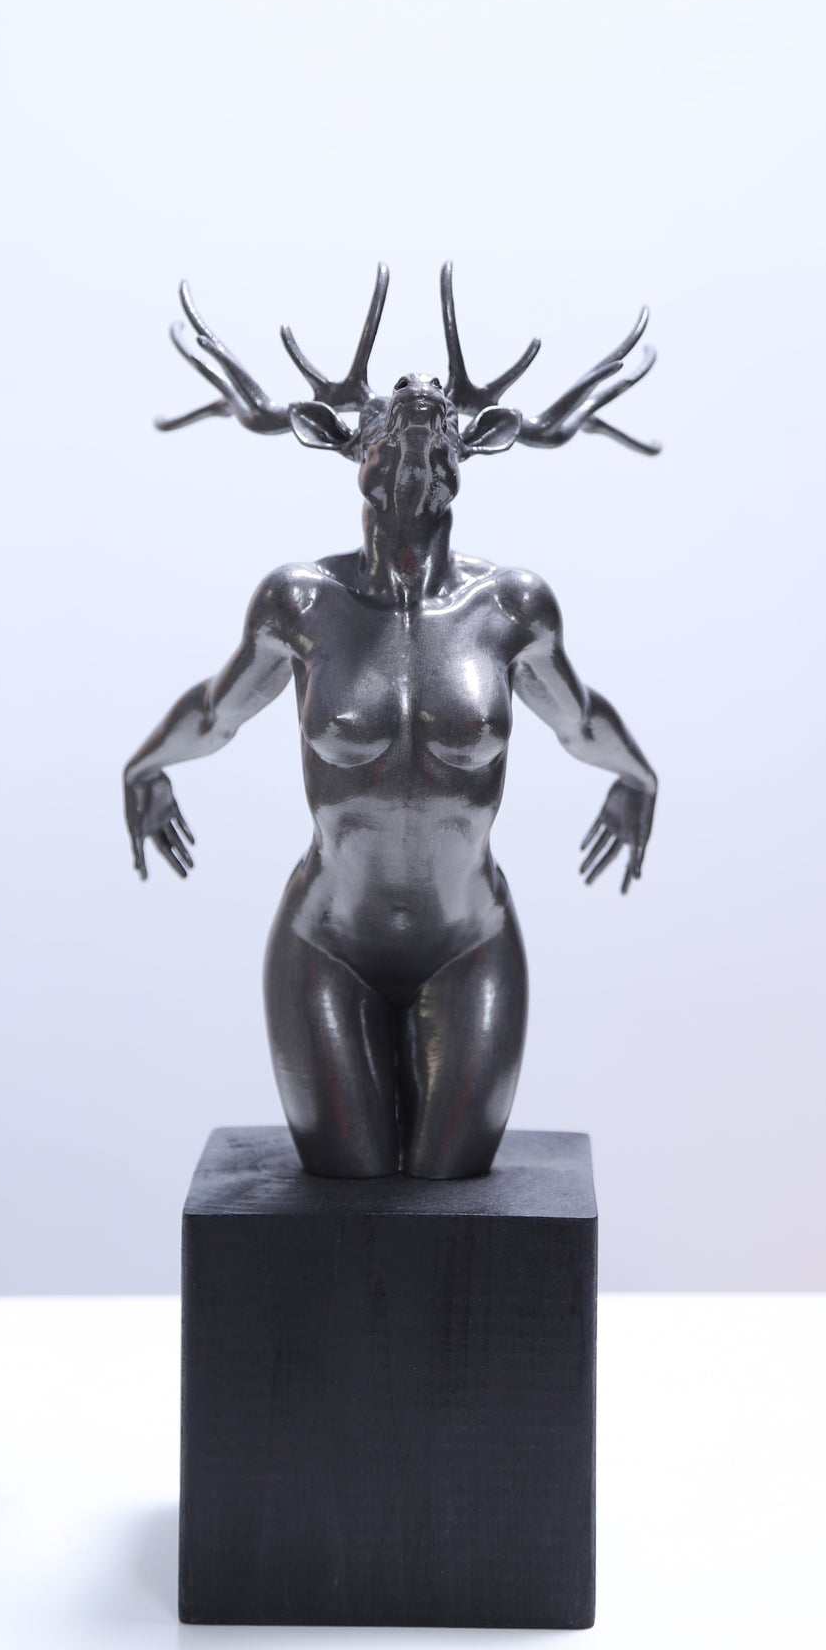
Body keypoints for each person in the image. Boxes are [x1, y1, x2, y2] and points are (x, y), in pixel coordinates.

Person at [124, 265, 658, 1179]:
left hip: (470, 942)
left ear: (471, 455)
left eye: (441, 435)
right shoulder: (300, 602)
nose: (415, 445)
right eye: (384, 433)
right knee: (348, 1198)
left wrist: (634, 776)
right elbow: (216, 713)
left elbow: (577, 721)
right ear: (345, 450)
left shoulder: (511, 607)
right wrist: (146, 767)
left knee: (457, 1195)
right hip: (326, 943)